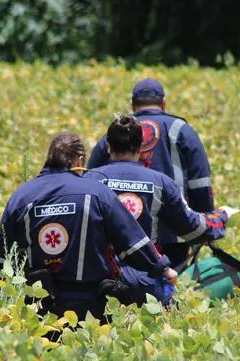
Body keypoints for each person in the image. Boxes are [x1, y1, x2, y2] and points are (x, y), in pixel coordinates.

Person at [0, 132, 177, 323]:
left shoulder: (22, 196)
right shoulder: (97, 193)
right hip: (92, 307)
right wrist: (162, 268)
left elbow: (2, 256)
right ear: (80, 160)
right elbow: (133, 242)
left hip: (41, 307)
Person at [85, 115, 237, 306]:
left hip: (97, 285)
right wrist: (220, 217)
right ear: (141, 147)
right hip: (146, 287)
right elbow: (191, 226)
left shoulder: (88, 181)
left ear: (108, 146)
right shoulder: (160, 183)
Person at [88, 78, 216, 266]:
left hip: (122, 236)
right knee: (172, 287)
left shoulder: (115, 133)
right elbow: (200, 184)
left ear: (133, 105)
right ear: (163, 103)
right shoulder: (181, 130)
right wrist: (204, 228)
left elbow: (88, 183)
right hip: (174, 233)